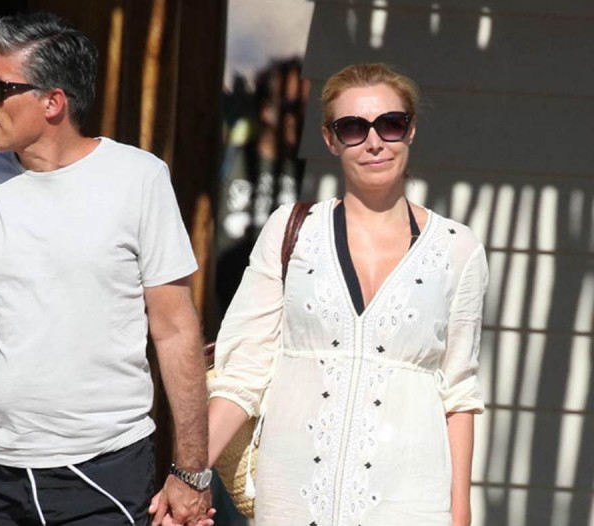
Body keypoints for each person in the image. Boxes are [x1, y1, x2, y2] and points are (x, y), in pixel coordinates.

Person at [0, 12, 213, 526]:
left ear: (53, 102)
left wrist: (192, 472)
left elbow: (175, 327)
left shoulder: (139, 179)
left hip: (102, 468)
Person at [205, 63, 488, 526]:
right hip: (292, 498)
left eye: (390, 123)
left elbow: (458, 393)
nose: (374, 141)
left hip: (412, 502)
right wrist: (188, 473)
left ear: (410, 130)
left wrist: (460, 514)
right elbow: (242, 373)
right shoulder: (291, 230)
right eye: (353, 128)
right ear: (330, 139)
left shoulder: (458, 248)